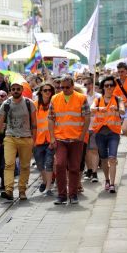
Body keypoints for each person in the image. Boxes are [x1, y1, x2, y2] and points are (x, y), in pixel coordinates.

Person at [48, 75, 91, 205]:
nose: (64, 89)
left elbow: (87, 117)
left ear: (73, 86)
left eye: (67, 87)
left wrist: (82, 136)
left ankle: (73, 195)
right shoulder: (55, 98)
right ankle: (62, 195)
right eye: (62, 87)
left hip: (76, 139)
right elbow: (50, 118)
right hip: (60, 138)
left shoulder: (81, 98)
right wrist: (52, 137)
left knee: (74, 167)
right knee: (59, 164)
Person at [0, 82, 36, 201]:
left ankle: (22, 190)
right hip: (10, 138)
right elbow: (0, 122)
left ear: (22, 90)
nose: (16, 91)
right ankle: (9, 190)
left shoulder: (29, 103)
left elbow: (34, 124)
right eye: (13, 89)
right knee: (9, 164)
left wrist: (34, 140)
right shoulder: (6, 103)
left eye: (18, 89)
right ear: (10, 91)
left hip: (26, 138)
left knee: (25, 166)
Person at [91, 76, 125, 193]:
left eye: (111, 85)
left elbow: (123, 111)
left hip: (113, 133)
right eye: (106, 85)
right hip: (100, 133)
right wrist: (100, 108)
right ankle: (106, 179)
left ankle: (112, 184)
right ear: (103, 87)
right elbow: (91, 109)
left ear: (114, 87)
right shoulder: (98, 100)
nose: (109, 87)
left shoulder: (118, 99)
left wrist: (117, 109)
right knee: (104, 159)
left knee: (112, 158)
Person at [33, 83, 56, 196]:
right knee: (40, 164)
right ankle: (46, 180)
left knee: (49, 162)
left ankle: (48, 187)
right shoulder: (34, 105)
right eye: (45, 90)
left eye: (49, 90)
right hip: (38, 139)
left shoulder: (54, 103)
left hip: (51, 139)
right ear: (40, 92)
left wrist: (54, 138)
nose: (47, 92)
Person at [114, 62, 127, 151]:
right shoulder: (116, 82)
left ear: (126, 71)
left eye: (122, 71)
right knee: (123, 130)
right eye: (119, 72)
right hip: (121, 110)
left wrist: (121, 105)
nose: (120, 74)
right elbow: (115, 98)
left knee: (125, 129)